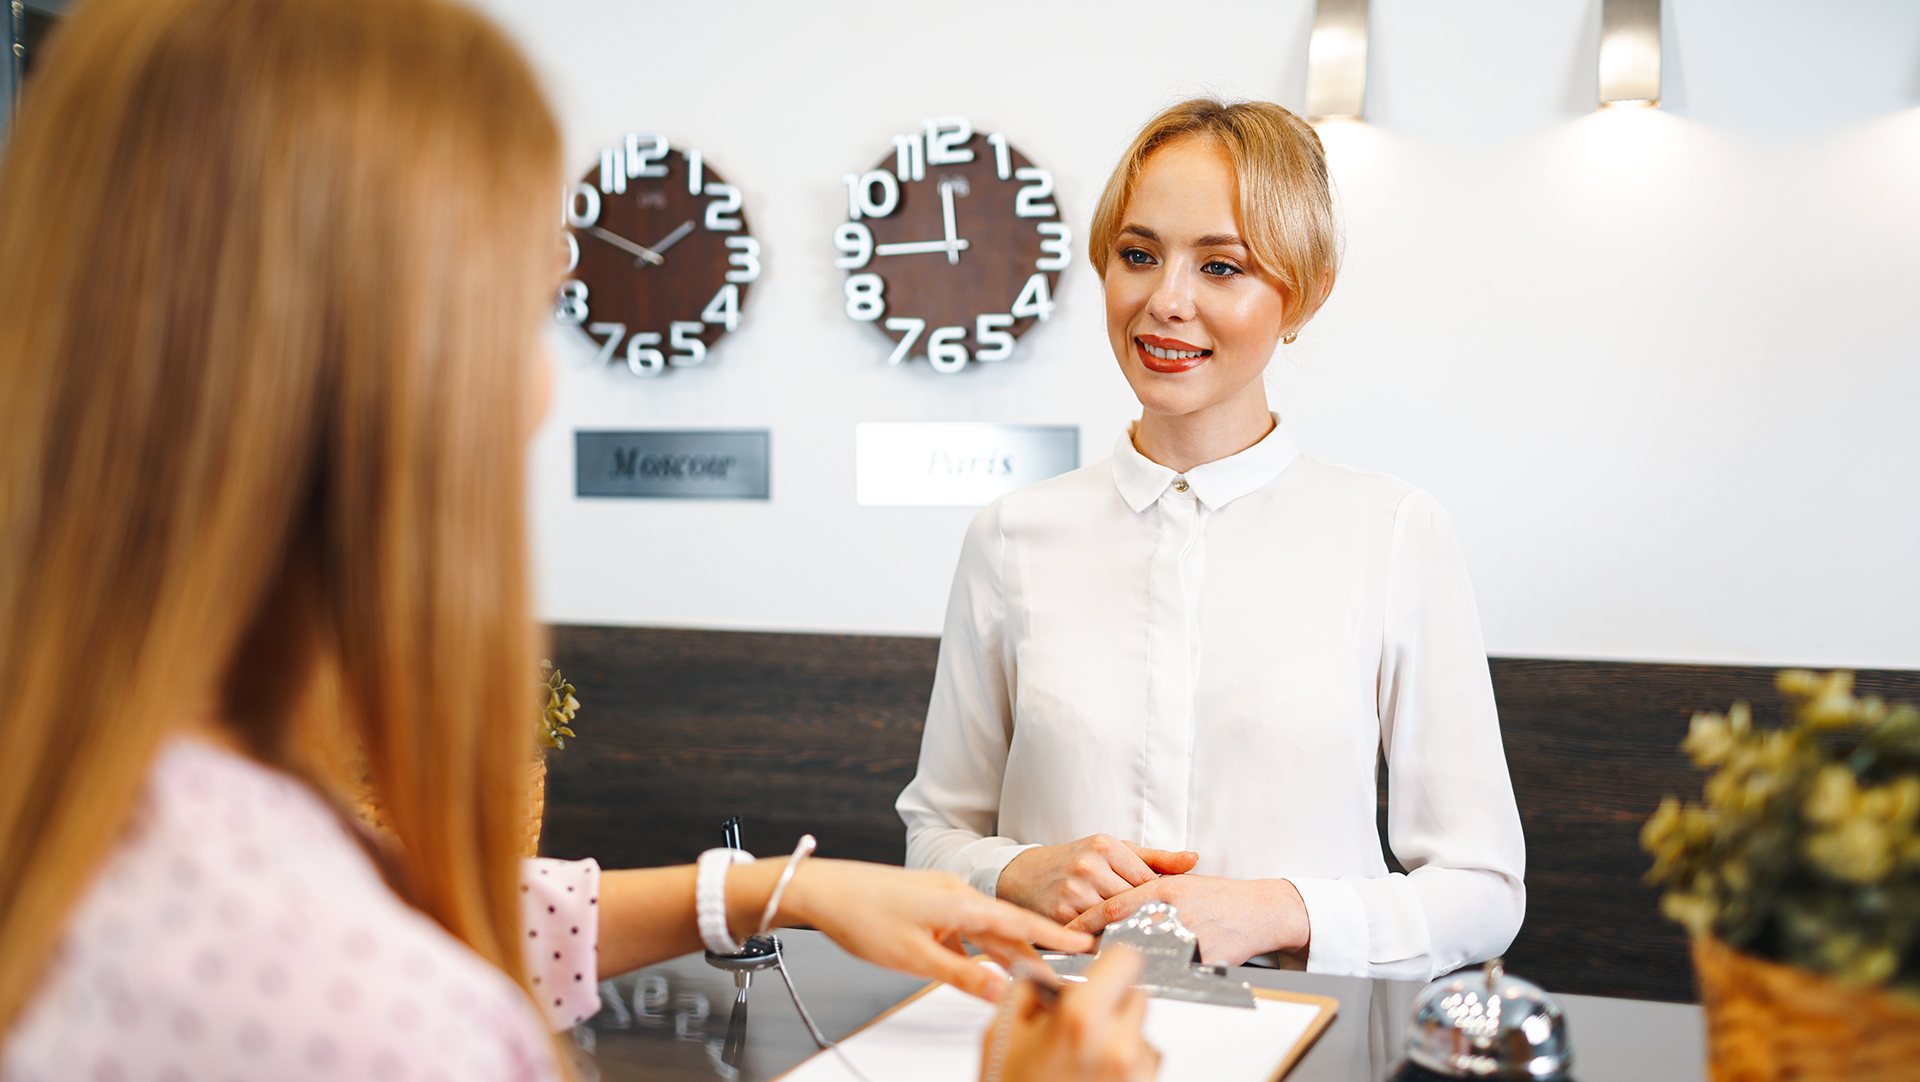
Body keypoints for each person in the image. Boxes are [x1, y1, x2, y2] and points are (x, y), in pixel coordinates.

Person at [0, 2, 1157, 1080]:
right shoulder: (381, 1021)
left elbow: (425, 906)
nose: (540, 396)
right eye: (517, 312)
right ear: (352, 366)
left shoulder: (104, 800)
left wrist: (771, 891)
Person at [897, 99, 1527, 981]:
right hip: (1057, 1044)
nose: (1166, 302)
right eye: (1138, 255)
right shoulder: (1012, 537)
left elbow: (1484, 887)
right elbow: (931, 841)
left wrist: (1280, 911)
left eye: (1221, 266)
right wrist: (1013, 870)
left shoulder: (1393, 533)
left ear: (1300, 294)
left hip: (1307, 1046)